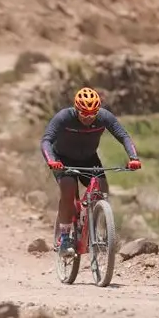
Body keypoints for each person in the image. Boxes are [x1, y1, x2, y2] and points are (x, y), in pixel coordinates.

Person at [40, 87, 141, 257]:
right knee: (69, 187)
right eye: (84, 114)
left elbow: (123, 136)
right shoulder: (64, 117)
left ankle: (92, 229)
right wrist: (52, 161)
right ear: (76, 109)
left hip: (89, 159)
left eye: (93, 114)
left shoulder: (104, 117)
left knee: (102, 189)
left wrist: (133, 158)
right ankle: (64, 238)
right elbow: (46, 141)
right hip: (62, 160)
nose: (88, 118)